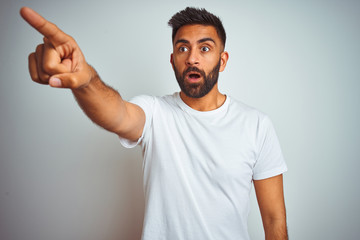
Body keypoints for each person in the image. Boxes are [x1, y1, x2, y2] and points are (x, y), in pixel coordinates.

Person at [20, 6, 288, 240]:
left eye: (205, 48)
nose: (192, 58)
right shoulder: (155, 112)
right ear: (173, 61)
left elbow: (274, 220)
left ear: (223, 60)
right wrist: (86, 80)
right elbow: (118, 114)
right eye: (183, 48)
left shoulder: (256, 124)